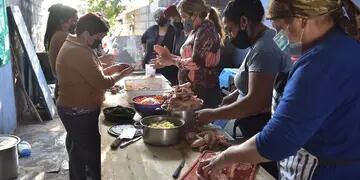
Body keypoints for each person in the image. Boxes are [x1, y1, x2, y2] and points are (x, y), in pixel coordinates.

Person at [198, 0, 360, 179]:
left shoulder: (320, 63)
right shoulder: (342, 46)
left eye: (281, 28)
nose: (280, 38)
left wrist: (225, 157)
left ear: (301, 20)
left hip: (325, 170)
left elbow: (277, 141)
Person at [195, 0, 291, 177]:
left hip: (262, 126)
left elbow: (255, 102)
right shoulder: (263, 40)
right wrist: (232, 95)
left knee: (263, 174)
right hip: (255, 125)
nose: (230, 37)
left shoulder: (265, 49)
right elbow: (254, 81)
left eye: (230, 30)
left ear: (244, 22)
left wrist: (213, 113)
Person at [56, 13, 134, 180]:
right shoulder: (78, 51)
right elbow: (102, 83)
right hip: (77, 111)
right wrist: (123, 73)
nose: (100, 40)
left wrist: (115, 68)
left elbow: (91, 75)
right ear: (86, 33)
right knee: (88, 152)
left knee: (78, 149)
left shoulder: (77, 45)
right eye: (98, 37)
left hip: (74, 108)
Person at [152, 0, 224, 109]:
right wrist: (167, 57)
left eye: (184, 16)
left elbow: (195, 63)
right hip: (192, 91)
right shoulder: (195, 30)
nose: (182, 20)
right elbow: (188, 58)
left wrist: (172, 60)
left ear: (195, 14)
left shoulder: (206, 29)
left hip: (204, 92)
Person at [44, 4, 78, 98]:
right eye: (73, 21)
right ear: (62, 20)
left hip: (64, 85)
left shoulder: (59, 34)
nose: (75, 24)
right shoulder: (61, 36)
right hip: (66, 88)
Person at [141, 7, 179, 85]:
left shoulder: (174, 31)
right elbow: (143, 40)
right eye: (157, 17)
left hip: (167, 69)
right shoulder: (151, 29)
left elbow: (176, 51)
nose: (159, 18)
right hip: (150, 67)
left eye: (162, 16)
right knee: (150, 86)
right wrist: (145, 52)